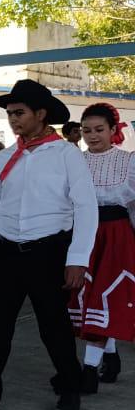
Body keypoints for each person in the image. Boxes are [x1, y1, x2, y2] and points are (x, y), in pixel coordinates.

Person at [0, 80, 97, 410]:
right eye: (10, 113)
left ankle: (69, 388)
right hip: (5, 250)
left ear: (41, 114)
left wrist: (78, 259)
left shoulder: (66, 155)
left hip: (48, 251)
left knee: (54, 324)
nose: (13, 119)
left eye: (19, 112)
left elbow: (86, 207)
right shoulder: (5, 157)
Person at [70, 103, 135, 390]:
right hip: (84, 234)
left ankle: (88, 371)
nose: (92, 136)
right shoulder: (74, 161)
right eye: (86, 131)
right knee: (88, 298)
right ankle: (110, 356)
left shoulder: (129, 161)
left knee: (104, 297)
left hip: (117, 236)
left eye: (99, 129)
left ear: (112, 130)